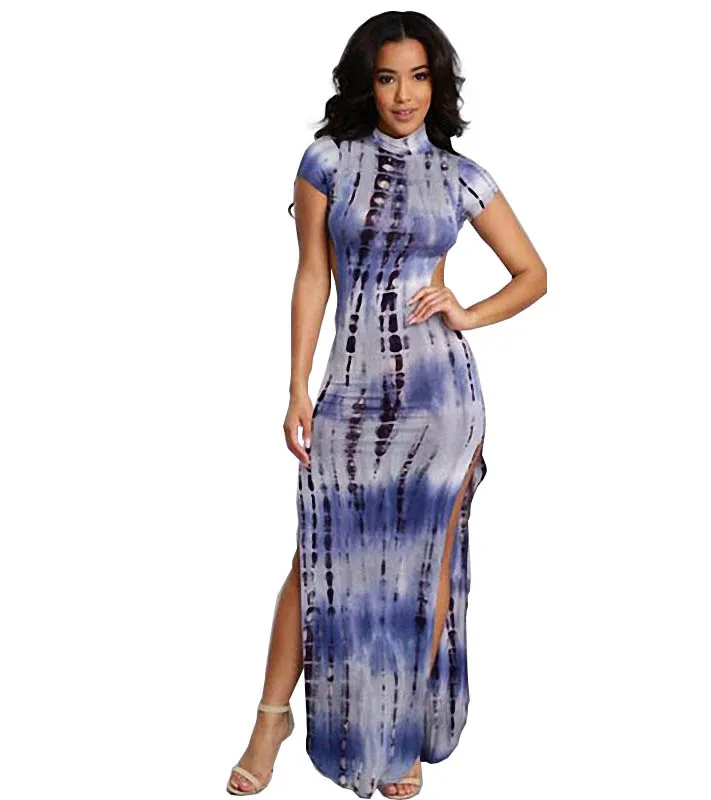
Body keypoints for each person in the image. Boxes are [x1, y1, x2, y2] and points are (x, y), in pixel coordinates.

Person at [226, 10, 546, 799]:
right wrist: (297, 387)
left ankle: (403, 733)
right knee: (317, 556)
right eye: (387, 77)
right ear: (365, 84)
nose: (404, 94)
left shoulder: (462, 175)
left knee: (426, 561)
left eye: (419, 77)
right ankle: (271, 718)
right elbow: (313, 274)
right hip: (351, 388)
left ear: (438, 85)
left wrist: (468, 312)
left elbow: (533, 274)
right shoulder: (327, 162)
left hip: (442, 400)